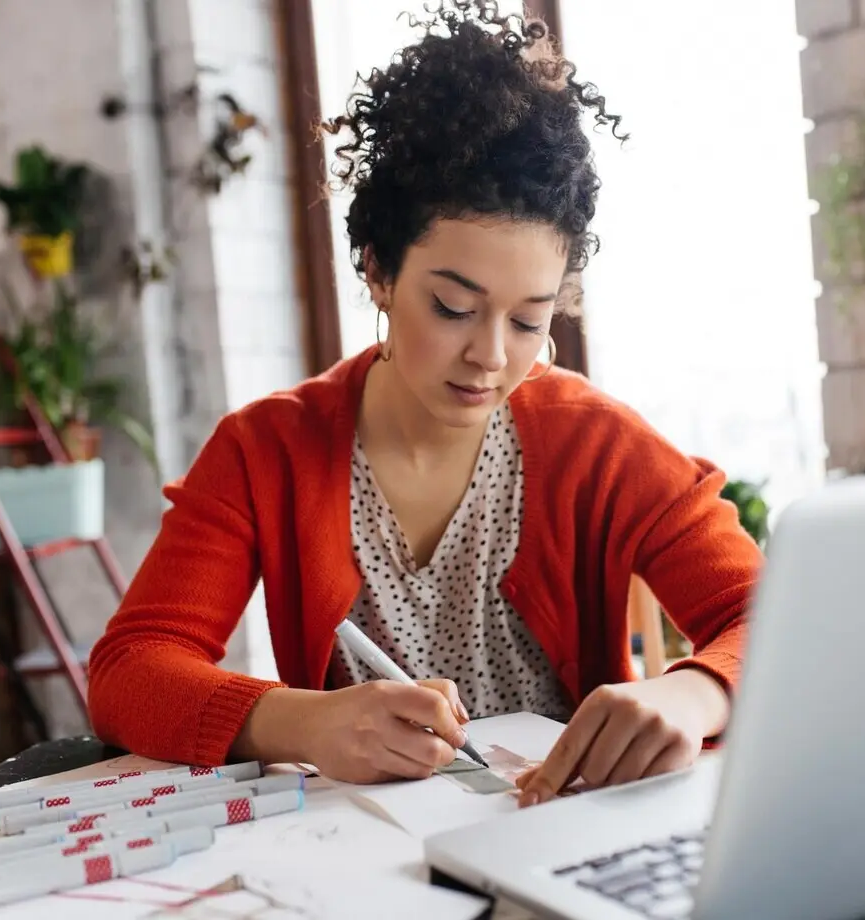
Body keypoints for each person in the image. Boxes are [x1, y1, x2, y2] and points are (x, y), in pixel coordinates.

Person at [86, 0, 763, 808]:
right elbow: (131, 671)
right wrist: (302, 723)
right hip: (370, 855)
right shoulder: (266, 450)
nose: (491, 356)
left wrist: (690, 694)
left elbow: (775, 619)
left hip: (567, 839)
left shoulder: (601, 445)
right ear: (377, 270)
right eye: (452, 307)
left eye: (529, 320)